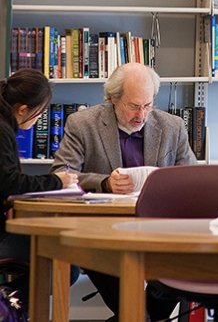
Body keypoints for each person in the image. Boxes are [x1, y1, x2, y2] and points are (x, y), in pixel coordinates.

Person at [51, 62, 197, 322]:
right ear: (112, 99)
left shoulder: (173, 126)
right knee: (138, 312)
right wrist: (104, 182)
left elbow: (192, 177)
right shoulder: (82, 123)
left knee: (182, 265)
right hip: (101, 233)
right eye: (133, 106)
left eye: (148, 105)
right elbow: (61, 172)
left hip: (159, 230)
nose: (141, 115)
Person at [0, 68, 78, 315]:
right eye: (38, 113)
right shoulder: (3, 130)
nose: (37, 120)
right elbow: (10, 182)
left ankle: (9, 304)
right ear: (23, 110)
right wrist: (57, 181)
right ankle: (9, 306)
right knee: (64, 265)